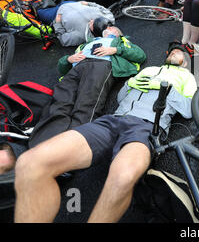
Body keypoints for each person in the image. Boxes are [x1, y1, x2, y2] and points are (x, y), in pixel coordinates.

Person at [14, 43, 197, 223]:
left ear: (185, 61)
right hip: (113, 121)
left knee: (123, 177)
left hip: (145, 126)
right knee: (30, 163)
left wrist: (166, 88)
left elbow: (189, 109)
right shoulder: (149, 70)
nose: (174, 52)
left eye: (178, 52)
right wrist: (129, 84)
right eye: (172, 50)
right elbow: (121, 98)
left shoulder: (187, 77)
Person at [0, 24, 146, 175]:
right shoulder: (86, 43)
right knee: (59, 102)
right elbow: (62, 66)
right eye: (108, 27)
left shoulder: (122, 41)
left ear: (118, 33)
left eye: (113, 28)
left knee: (86, 103)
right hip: (77, 68)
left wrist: (115, 49)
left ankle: (71, 154)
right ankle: (41, 148)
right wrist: (69, 59)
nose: (109, 28)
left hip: (102, 64)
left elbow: (140, 55)